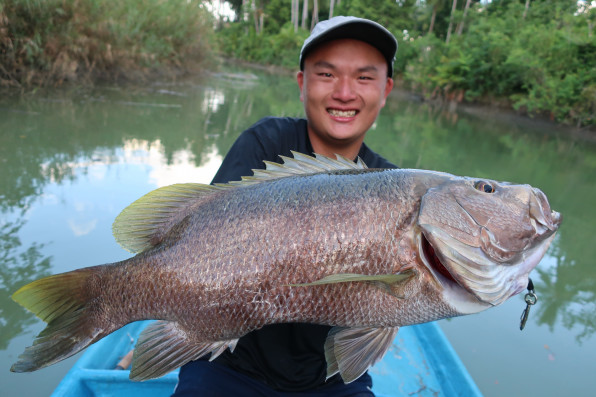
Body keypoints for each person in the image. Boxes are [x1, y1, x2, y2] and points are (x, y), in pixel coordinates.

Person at [173, 16, 398, 397]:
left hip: (332, 377)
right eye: (326, 74)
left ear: (386, 89)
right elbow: (203, 240)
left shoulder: (393, 186)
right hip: (228, 362)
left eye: (364, 77)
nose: (345, 92)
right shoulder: (265, 144)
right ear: (302, 83)